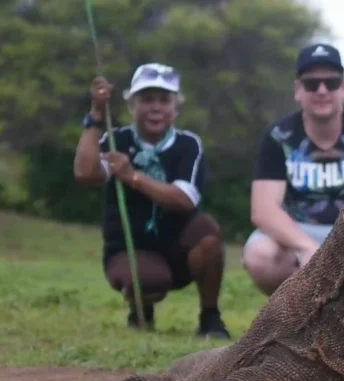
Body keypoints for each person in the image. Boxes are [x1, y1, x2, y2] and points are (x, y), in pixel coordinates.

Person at [73, 62, 231, 339]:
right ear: (132, 106)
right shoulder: (115, 140)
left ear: (176, 108)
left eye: (164, 100)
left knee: (208, 233)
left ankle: (210, 317)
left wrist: (132, 176)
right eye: (146, 100)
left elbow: (184, 199)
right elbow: (85, 174)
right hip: (130, 247)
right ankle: (141, 308)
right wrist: (96, 115)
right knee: (150, 282)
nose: (155, 108)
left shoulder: (188, 144)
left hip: (178, 245)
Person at [242, 43, 344, 295]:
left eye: (331, 82)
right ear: (298, 90)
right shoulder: (279, 135)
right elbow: (263, 209)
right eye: (311, 84)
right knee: (259, 255)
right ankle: (294, 313)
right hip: (298, 230)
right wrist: (306, 247)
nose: (322, 90)